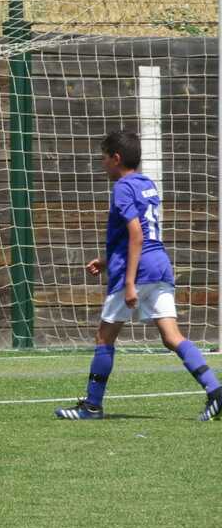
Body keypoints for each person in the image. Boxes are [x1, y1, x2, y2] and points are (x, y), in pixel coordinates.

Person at [56, 130, 222, 421]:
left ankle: (92, 406)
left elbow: (136, 235)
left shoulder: (122, 188)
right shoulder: (146, 184)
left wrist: (130, 281)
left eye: (104, 158)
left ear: (116, 158)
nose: (102, 164)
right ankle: (216, 391)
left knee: (104, 337)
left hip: (136, 270)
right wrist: (107, 261)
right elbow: (142, 232)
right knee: (172, 336)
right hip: (159, 265)